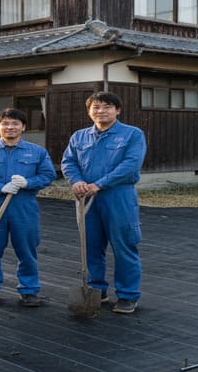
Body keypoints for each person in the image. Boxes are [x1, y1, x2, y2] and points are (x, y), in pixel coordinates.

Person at [61, 91, 147, 314]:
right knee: (90, 246)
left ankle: (128, 295)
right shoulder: (79, 137)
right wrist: (77, 181)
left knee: (124, 245)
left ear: (117, 110)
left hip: (118, 196)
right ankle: (97, 290)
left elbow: (130, 165)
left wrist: (100, 183)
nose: (101, 111)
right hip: (86, 197)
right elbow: (68, 161)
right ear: (89, 111)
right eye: (96, 107)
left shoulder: (132, 135)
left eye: (107, 106)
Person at [0, 108, 56, 307]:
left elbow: (48, 175)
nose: (10, 127)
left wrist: (28, 182)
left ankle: (29, 290)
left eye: (15, 123)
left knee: (26, 248)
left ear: (23, 127)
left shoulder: (37, 152)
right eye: (5, 123)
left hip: (24, 205)